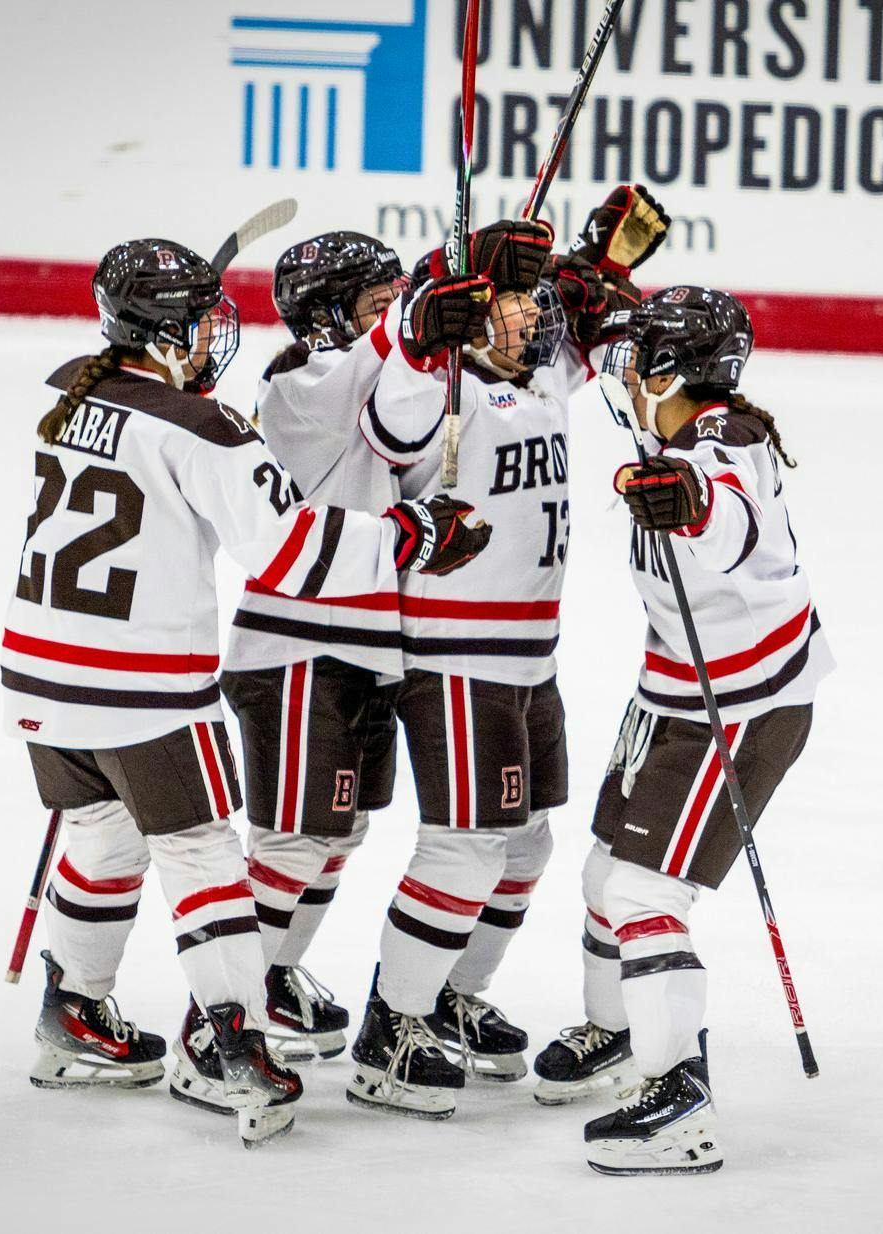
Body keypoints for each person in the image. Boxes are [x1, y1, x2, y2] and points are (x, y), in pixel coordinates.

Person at [1, 237, 488, 1146]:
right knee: (201, 857)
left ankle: (72, 1010)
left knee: (105, 840)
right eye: (200, 319)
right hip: (140, 688)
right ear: (172, 325)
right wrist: (411, 537)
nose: (214, 336)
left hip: (41, 673)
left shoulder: (69, 395)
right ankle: (232, 1044)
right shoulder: (202, 427)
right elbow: (288, 551)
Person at [344, 187, 670, 1120]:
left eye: (533, 300)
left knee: (525, 842)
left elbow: (614, 337)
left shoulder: (539, 374)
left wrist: (598, 269)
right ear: (467, 309)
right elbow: (389, 426)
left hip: (530, 661)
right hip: (453, 657)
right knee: (467, 844)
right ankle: (389, 1029)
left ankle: (445, 991)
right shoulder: (435, 381)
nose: (536, 314)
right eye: (513, 300)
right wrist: (431, 319)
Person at [539, 286, 832, 1177]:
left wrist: (691, 504)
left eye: (637, 357)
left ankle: (680, 1102)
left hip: (735, 706)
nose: (623, 370)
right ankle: (617, 1034)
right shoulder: (683, 430)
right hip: (673, 691)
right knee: (604, 875)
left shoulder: (722, 444)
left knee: (640, 893)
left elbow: (733, 518)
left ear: (670, 368)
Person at [214, 231, 412, 1062]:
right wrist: (429, 305)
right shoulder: (301, 384)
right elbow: (381, 358)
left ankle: (273, 977)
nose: (395, 318)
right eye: (378, 304)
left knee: (341, 830)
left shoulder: (361, 368)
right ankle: (220, 1021)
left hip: (361, 647)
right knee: (294, 840)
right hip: (298, 653)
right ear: (327, 317)